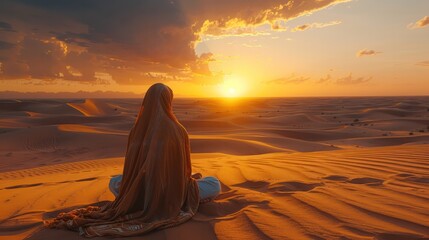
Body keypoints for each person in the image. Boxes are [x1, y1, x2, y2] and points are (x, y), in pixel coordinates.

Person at [44, 83, 221, 237]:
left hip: (139, 191)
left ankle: (141, 200)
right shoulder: (178, 129)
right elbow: (184, 169)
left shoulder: (137, 131)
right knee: (214, 184)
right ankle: (189, 199)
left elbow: (131, 169)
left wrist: (139, 185)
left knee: (114, 182)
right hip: (173, 192)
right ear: (168, 101)